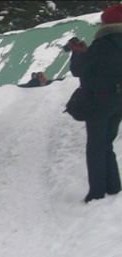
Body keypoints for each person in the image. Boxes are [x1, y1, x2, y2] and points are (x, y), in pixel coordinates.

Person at [68, 4, 122, 203]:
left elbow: (80, 70)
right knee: (107, 144)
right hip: (118, 100)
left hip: (99, 101)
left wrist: (78, 52)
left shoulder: (103, 44)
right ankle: (114, 186)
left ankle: (97, 193)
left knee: (96, 148)